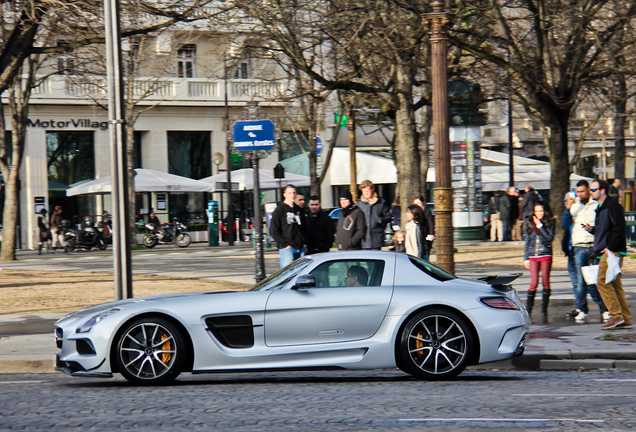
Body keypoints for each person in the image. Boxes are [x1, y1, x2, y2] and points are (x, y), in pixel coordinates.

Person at [583, 179, 632, 330]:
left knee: (602, 282)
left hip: (612, 251)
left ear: (602, 190)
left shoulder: (613, 206)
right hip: (609, 250)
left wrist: (610, 247)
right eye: (591, 190)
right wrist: (593, 230)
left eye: (593, 190)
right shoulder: (601, 207)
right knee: (615, 286)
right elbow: (607, 230)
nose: (591, 192)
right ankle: (626, 319)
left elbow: (619, 228)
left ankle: (616, 316)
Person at [567, 180, 608, 322]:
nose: (579, 194)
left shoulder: (595, 204)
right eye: (577, 191)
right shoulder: (574, 206)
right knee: (580, 282)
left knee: (596, 281)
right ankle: (582, 309)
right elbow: (565, 224)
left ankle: (604, 309)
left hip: (593, 245)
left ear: (588, 191)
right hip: (578, 246)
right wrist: (568, 209)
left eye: (582, 191)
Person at [523, 202, 555, 322]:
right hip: (533, 256)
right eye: (537, 211)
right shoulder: (529, 222)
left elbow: (550, 238)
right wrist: (526, 258)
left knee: (546, 282)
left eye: (541, 211)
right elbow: (527, 242)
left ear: (544, 211)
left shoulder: (550, 222)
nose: (539, 213)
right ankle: (529, 309)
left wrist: (540, 226)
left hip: (545, 254)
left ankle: (544, 309)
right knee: (533, 282)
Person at [269, 184, 307, 268]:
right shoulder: (279, 210)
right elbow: (274, 231)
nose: (292, 195)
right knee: (287, 275)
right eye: (289, 193)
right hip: (287, 249)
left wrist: (304, 242)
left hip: (300, 247)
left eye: (294, 193)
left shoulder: (299, 210)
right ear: (284, 194)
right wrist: (285, 245)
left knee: (300, 275)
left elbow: (305, 228)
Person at [356, 180, 391, 250]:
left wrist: (380, 220)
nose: (366, 193)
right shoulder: (359, 204)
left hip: (377, 238)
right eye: (364, 191)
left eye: (368, 191)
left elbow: (389, 217)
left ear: (372, 189)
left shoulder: (381, 202)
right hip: (364, 239)